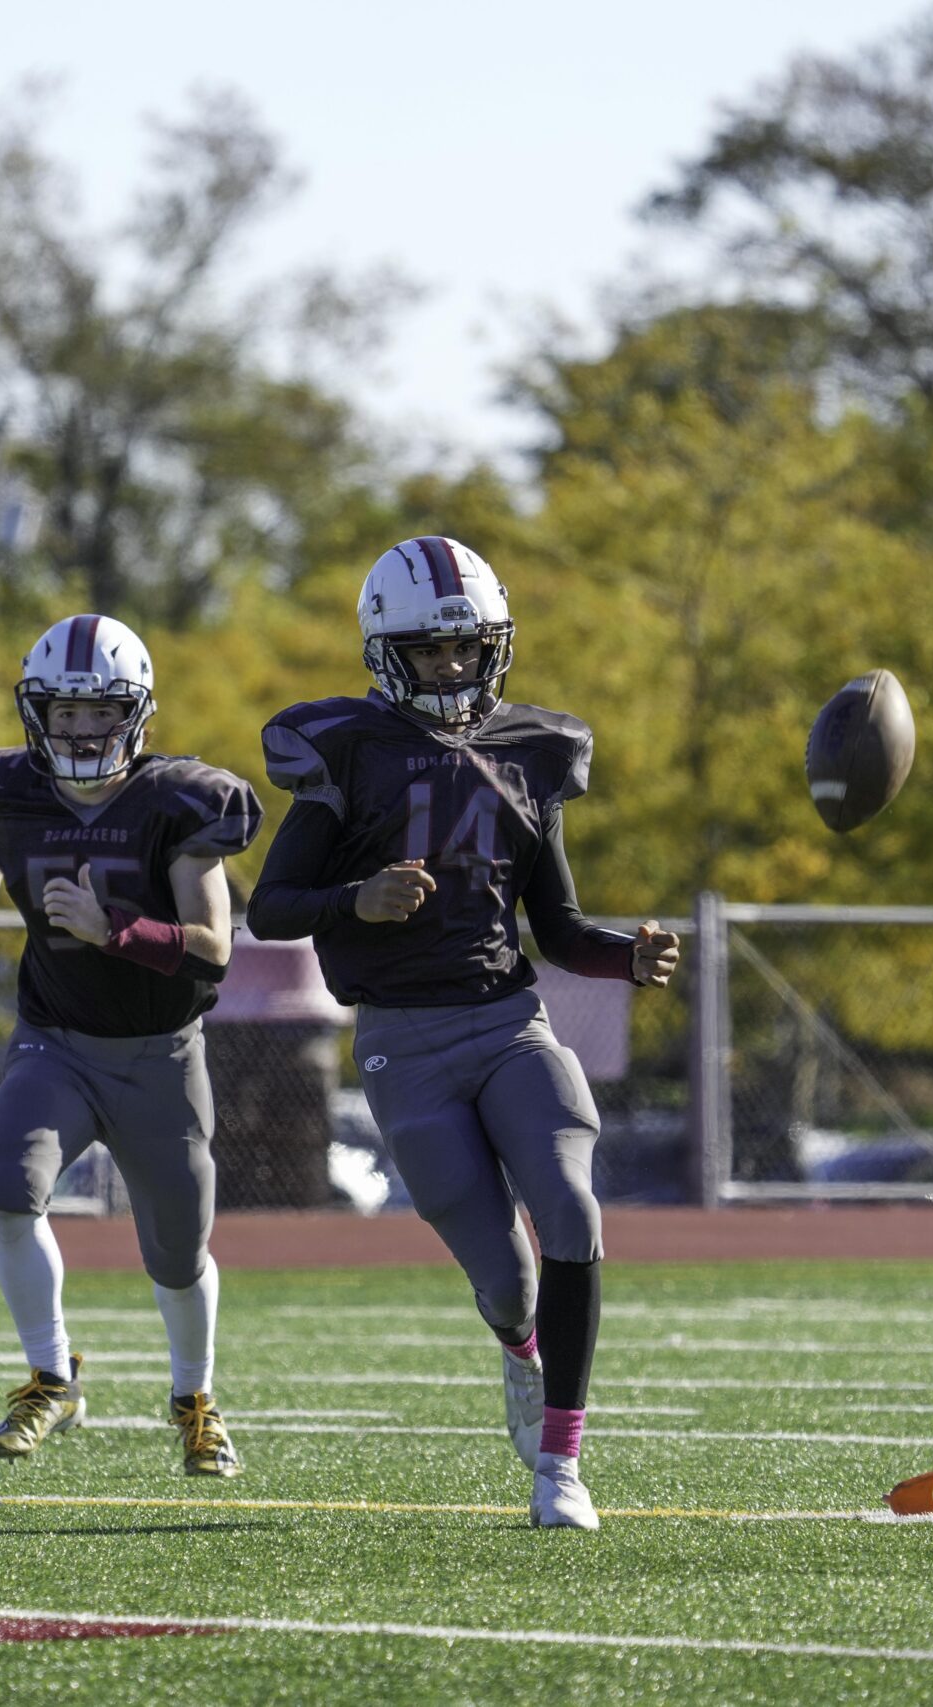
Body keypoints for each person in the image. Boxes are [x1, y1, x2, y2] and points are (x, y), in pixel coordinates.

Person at [248, 536, 680, 1530]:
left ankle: (561, 1469)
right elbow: (271, 908)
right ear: (385, 652)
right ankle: (519, 1350)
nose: (450, 668)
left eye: (465, 649)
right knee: (506, 1277)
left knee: (571, 1212)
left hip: (509, 1023)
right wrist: (359, 899)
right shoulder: (346, 752)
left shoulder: (530, 751)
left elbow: (559, 927)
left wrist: (624, 956)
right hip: (406, 1046)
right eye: (429, 652)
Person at [0, 614, 261, 1476]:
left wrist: (118, 930)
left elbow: (215, 942)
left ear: (134, 713)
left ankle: (193, 1397)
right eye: (62, 712)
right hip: (54, 1043)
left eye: (99, 711)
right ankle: (52, 1375)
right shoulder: (15, 790)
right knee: (7, 1183)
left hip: (159, 1054)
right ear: (37, 714)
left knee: (177, 1254)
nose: (79, 729)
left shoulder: (176, 800)